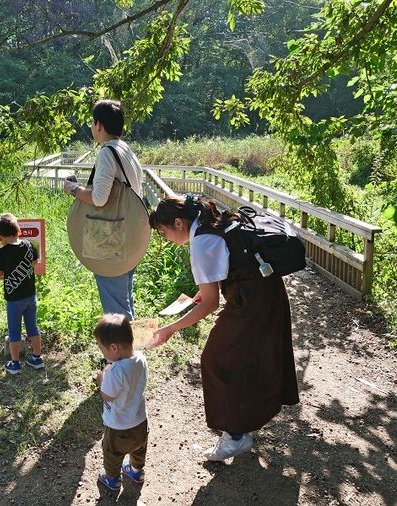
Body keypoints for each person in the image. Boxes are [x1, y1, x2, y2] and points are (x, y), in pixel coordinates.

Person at [148, 194, 299, 461]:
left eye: (163, 232)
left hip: (251, 301)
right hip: (265, 290)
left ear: (179, 223)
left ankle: (235, 437)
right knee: (249, 356)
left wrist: (170, 328)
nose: (166, 238)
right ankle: (245, 424)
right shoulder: (211, 222)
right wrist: (203, 292)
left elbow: (210, 304)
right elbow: (226, 268)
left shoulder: (202, 242)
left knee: (216, 359)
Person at [63, 99, 144, 321]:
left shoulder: (107, 153)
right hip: (129, 233)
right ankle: (128, 350)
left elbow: (99, 199)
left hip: (110, 238)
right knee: (124, 299)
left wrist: (73, 189)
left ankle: (121, 354)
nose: (91, 127)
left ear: (99, 125)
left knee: (116, 308)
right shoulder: (126, 150)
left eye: (92, 122)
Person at [94, 313, 148, 495]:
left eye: (103, 350)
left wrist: (102, 378)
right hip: (140, 420)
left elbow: (107, 396)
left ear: (114, 348)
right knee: (139, 447)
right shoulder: (140, 358)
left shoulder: (116, 371)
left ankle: (112, 479)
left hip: (118, 426)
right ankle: (136, 471)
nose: (103, 354)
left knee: (112, 453)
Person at [0, 213, 44, 375]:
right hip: (30, 296)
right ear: (18, 229)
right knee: (33, 327)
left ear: (0, 237)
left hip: (14, 300)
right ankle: (37, 358)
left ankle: (15, 363)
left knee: (14, 331)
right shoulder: (29, 245)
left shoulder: (3, 252)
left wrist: (7, 274)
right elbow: (35, 262)